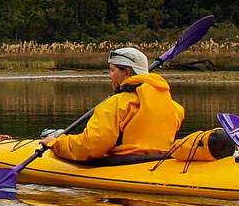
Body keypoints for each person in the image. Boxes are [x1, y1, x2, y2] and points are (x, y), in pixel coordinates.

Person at [43, 47, 187, 163]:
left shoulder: (115, 105)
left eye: (112, 70)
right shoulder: (175, 108)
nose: (109, 75)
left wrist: (56, 143)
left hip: (124, 164)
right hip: (161, 161)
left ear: (127, 72)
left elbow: (90, 147)